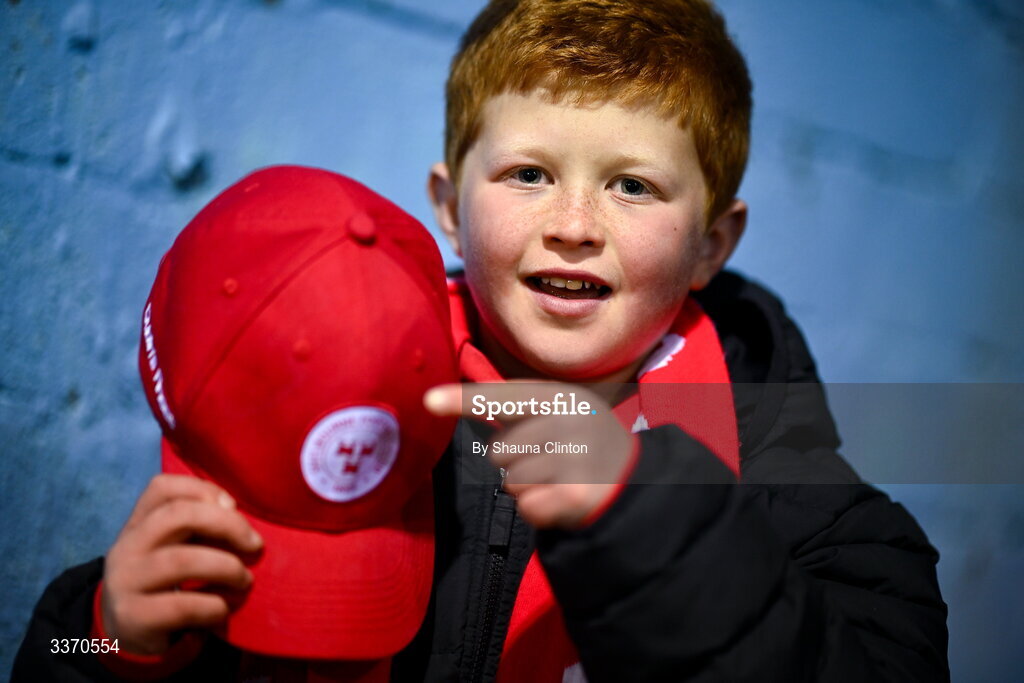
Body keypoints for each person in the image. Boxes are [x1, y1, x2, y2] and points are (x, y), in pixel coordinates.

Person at [13, 1, 949, 681]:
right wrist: (105, 632)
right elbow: (55, 646)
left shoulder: (775, 463)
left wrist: (649, 517)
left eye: (633, 186)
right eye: (530, 172)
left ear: (712, 244)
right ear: (448, 210)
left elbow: (893, 657)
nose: (574, 223)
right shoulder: (351, 386)